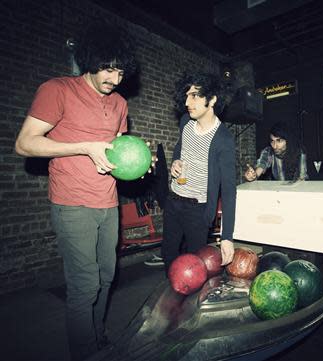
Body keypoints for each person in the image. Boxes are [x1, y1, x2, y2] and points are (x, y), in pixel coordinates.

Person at [15, 22, 137, 360]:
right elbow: (25, 144)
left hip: (108, 202)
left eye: (121, 70)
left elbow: (116, 149)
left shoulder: (121, 104)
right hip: (72, 203)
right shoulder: (57, 90)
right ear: (90, 60)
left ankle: (98, 339)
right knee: (85, 284)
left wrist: (137, 165)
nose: (115, 78)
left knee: (107, 276)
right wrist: (84, 147)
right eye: (109, 68)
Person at [162, 71, 236, 272]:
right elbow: (181, 146)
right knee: (168, 257)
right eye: (186, 95)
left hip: (198, 210)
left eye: (194, 96)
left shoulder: (223, 139)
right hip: (173, 200)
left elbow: (229, 191)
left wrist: (227, 236)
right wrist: (175, 161)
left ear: (211, 100)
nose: (187, 101)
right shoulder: (186, 121)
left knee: (196, 265)